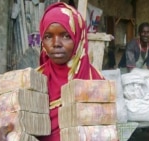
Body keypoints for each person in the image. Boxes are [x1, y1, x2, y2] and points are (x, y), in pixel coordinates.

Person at [36, 2, 104, 141]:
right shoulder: (34, 81)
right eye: (48, 36)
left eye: (66, 36)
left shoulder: (95, 81)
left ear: (79, 38)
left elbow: (106, 131)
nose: (56, 43)